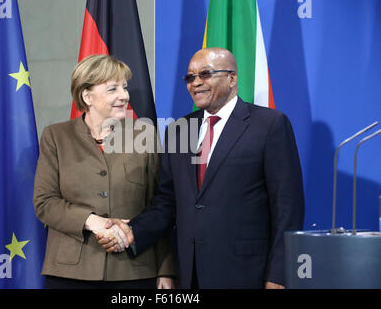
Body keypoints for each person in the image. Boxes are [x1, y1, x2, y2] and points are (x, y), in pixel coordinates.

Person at [97, 48, 305, 289]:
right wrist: (133, 231)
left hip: (247, 273)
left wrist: (278, 275)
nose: (195, 83)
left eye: (205, 74)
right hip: (190, 272)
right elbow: (167, 202)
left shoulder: (269, 125)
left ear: (232, 78)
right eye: (190, 77)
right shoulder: (179, 129)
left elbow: (287, 207)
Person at [33, 54, 176, 289]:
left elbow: (160, 206)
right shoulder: (56, 136)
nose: (124, 95)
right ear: (87, 96)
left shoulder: (145, 135)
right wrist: (92, 222)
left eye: (124, 87)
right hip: (70, 272)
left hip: (135, 271)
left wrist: (166, 270)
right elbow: (44, 202)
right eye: (113, 89)